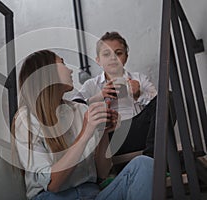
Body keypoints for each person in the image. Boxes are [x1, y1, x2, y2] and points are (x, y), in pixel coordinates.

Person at [12, 49, 154, 200]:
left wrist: (104, 131)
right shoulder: (26, 119)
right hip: (53, 197)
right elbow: (53, 184)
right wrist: (86, 133)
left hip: (92, 194)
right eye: (62, 63)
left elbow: (103, 173)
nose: (70, 70)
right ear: (47, 72)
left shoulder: (80, 110)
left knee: (143, 164)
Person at [72, 32, 157, 157]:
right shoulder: (91, 85)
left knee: (168, 98)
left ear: (126, 57)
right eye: (106, 54)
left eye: (118, 53)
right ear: (98, 60)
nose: (113, 58)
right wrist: (99, 97)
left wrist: (139, 94)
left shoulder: (140, 78)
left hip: (141, 133)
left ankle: (153, 155)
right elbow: (73, 108)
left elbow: (160, 107)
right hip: (109, 139)